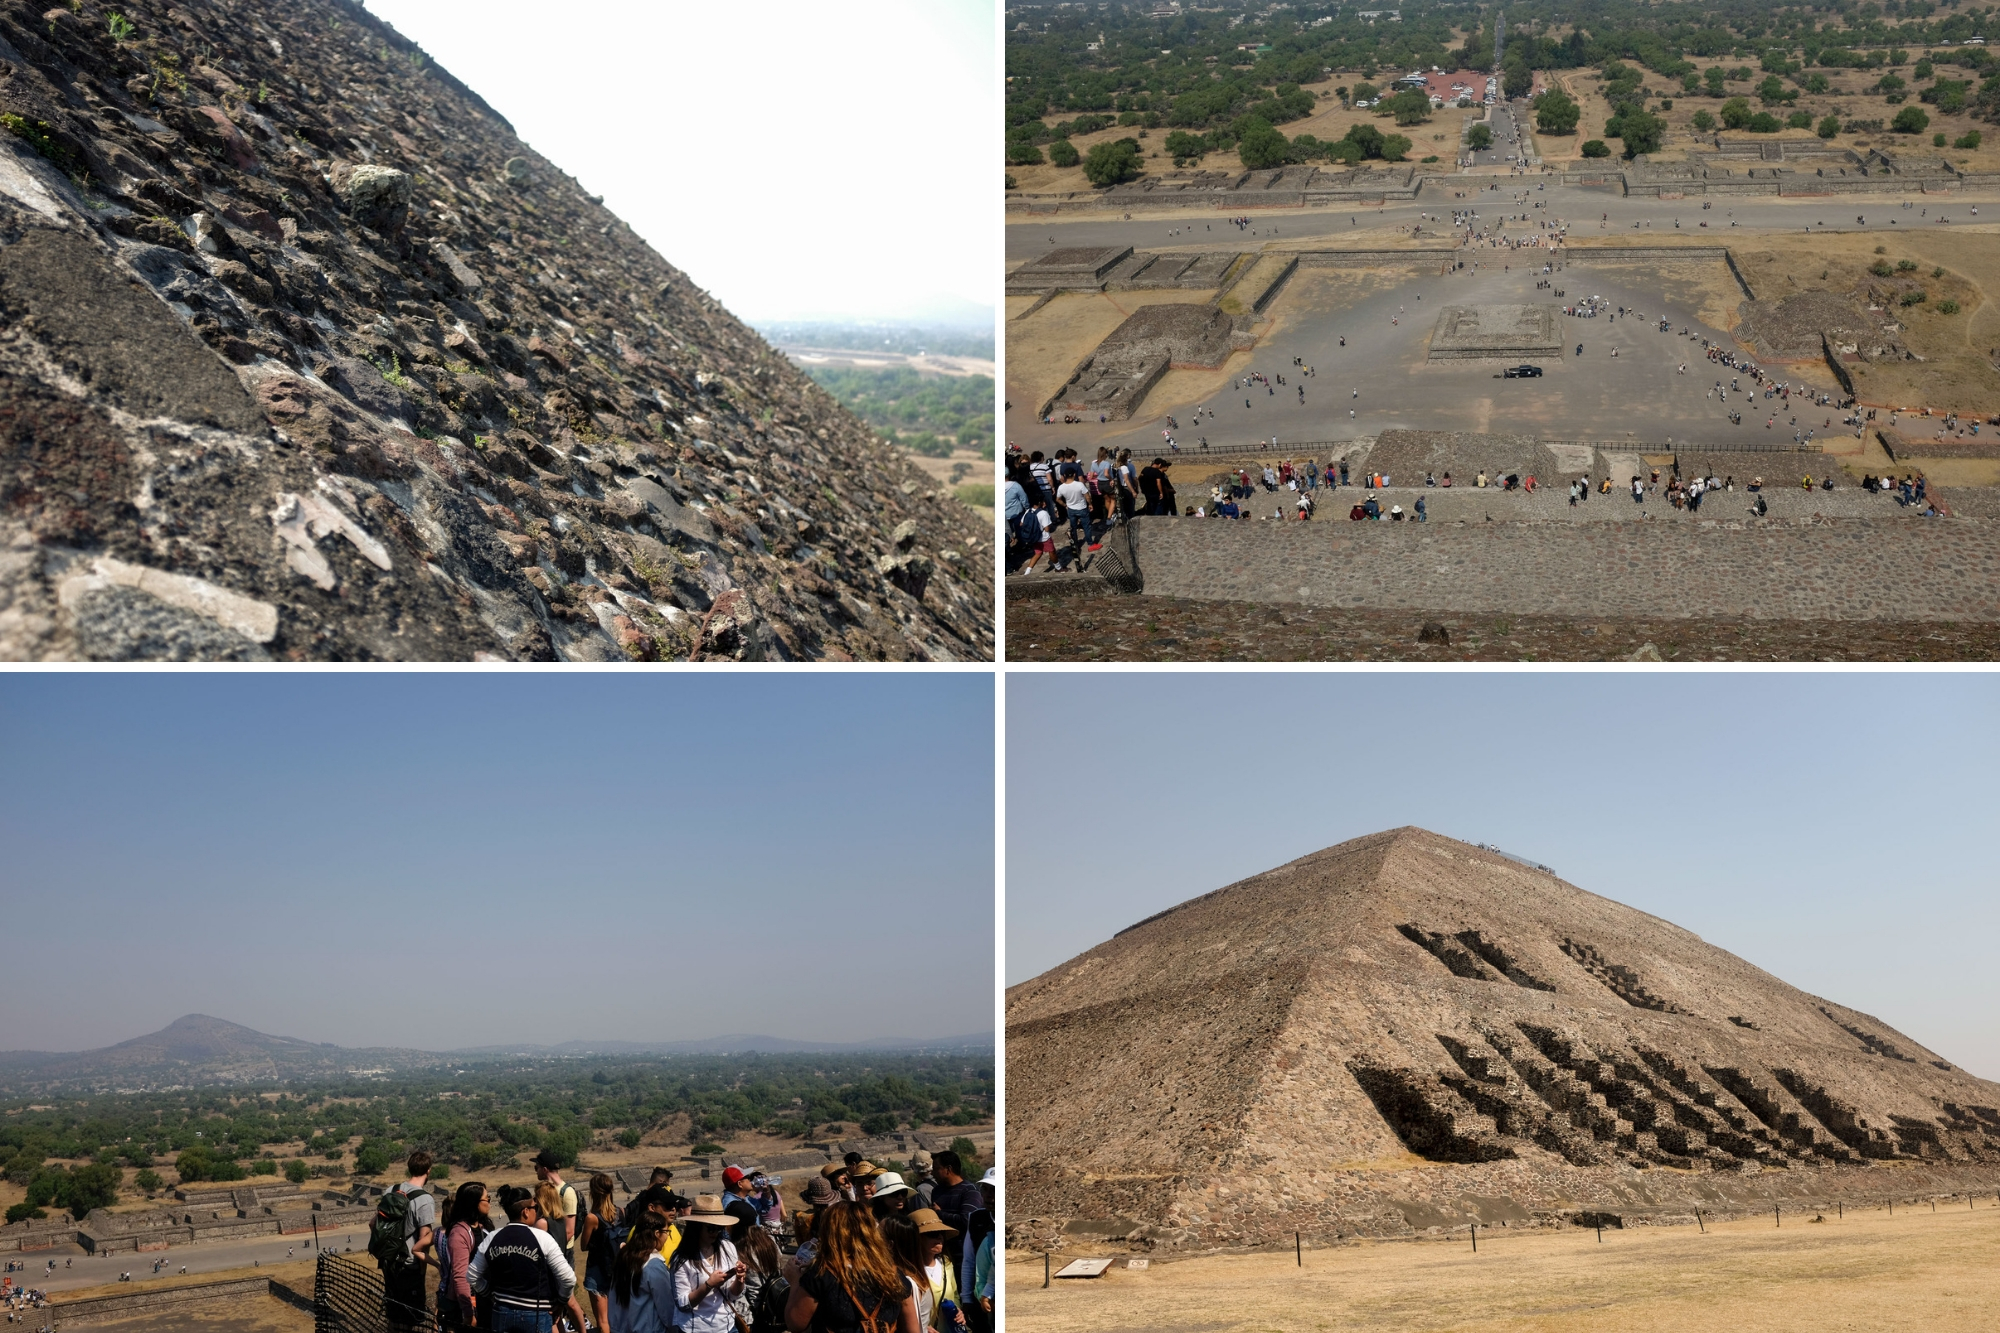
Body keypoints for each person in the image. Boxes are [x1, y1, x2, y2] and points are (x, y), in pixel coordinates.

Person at [783, 1201, 920, 1333]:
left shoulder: (821, 1274)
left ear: (829, 1232)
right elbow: (913, 1330)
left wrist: (795, 1282)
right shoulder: (893, 1274)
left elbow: (796, 1324)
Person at [470, 1184, 589, 1333]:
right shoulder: (542, 1238)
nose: (537, 1211)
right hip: (536, 1313)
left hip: (502, 1312)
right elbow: (568, 1279)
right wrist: (561, 1302)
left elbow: (472, 1275)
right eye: (535, 1208)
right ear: (526, 1212)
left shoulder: (492, 1238)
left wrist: (490, 1294)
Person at [667, 1195, 746, 1333]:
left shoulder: (727, 1247)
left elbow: (732, 1295)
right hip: (696, 1328)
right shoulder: (682, 1258)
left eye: (719, 1228)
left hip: (727, 1326)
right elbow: (682, 1304)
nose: (715, 1232)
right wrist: (708, 1285)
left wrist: (739, 1280)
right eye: (711, 1228)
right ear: (697, 1227)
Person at [380, 1151, 439, 1331]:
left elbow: (373, 1223)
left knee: (393, 1316)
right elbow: (424, 1238)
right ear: (428, 1171)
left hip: (388, 1262)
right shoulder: (424, 1199)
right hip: (410, 1266)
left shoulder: (390, 1190)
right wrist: (423, 1270)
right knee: (412, 1321)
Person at [884, 1211, 965, 1332]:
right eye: (932, 1234)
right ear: (916, 1239)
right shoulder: (906, 1274)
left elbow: (954, 1295)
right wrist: (922, 1327)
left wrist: (958, 1312)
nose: (939, 1237)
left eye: (941, 1233)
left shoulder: (946, 1263)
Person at [437, 1181, 494, 1330]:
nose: (489, 1202)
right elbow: (460, 1275)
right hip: (468, 1305)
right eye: (487, 1198)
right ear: (474, 1203)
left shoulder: (483, 1227)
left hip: (484, 1301)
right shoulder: (459, 1233)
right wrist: (468, 1313)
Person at [607, 1217, 672, 1333]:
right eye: (667, 1232)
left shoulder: (624, 1256)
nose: (667, 1237)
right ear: (657, 1234)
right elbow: (666, 1308)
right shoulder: (654, 1265)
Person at [579, 1173, 619, 1333]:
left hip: (597, 1270)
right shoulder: (620, 1213)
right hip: (616, 1270)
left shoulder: (592, 1218)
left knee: (602, 1321)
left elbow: (583, 1245)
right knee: (616, 1317)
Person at [534, 1151, 581, 1276]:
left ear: (544, 1169)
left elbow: (569, 1230)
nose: (536, 1171)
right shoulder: (544, 1189)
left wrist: (554, 1253)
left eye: (536, 1168)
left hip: (562, 1251)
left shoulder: (567, 1192)